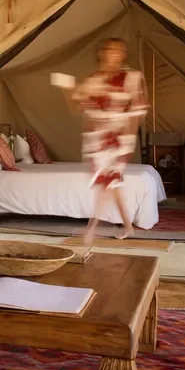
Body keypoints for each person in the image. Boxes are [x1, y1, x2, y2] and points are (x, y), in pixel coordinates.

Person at [62, 38, 148, 245]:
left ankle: (91, 230)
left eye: (118, 50)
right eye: (110, 50)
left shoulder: (131, 77)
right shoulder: (94, 79)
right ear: (102, 53)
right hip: (97, 139)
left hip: (118, 138)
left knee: (107, 183)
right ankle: (128, 227)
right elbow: (77, 107)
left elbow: (138, 110)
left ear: (123, 54)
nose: (114, 54)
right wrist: (67, 88)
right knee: (110, 184)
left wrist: (127, 138)